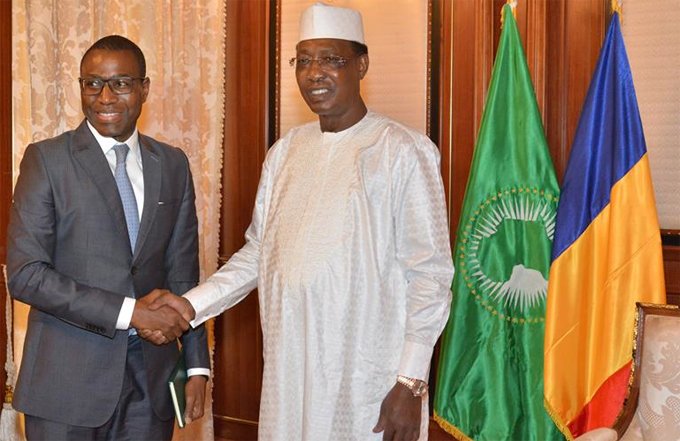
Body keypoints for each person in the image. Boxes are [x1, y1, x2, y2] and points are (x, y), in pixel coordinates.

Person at [148, 2, 453, 440]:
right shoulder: (285, 153)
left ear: (361, 64)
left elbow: (431, 276)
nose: (315, 73)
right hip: (291, 375)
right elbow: (259, 252)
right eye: (304, 60)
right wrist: (191, 305)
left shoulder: (401, 150)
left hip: (369, 378)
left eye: (331, 59)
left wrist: (410, 382)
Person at [6, 35, 210, 441]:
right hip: (66, 387)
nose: (105, 97)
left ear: (144, 88)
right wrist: (131, 312)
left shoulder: (171, 164)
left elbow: (183, 273)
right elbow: (27, 274)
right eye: (92, 83)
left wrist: (197, 366)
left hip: (150, 385)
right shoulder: (46, 160)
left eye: (121, 83)